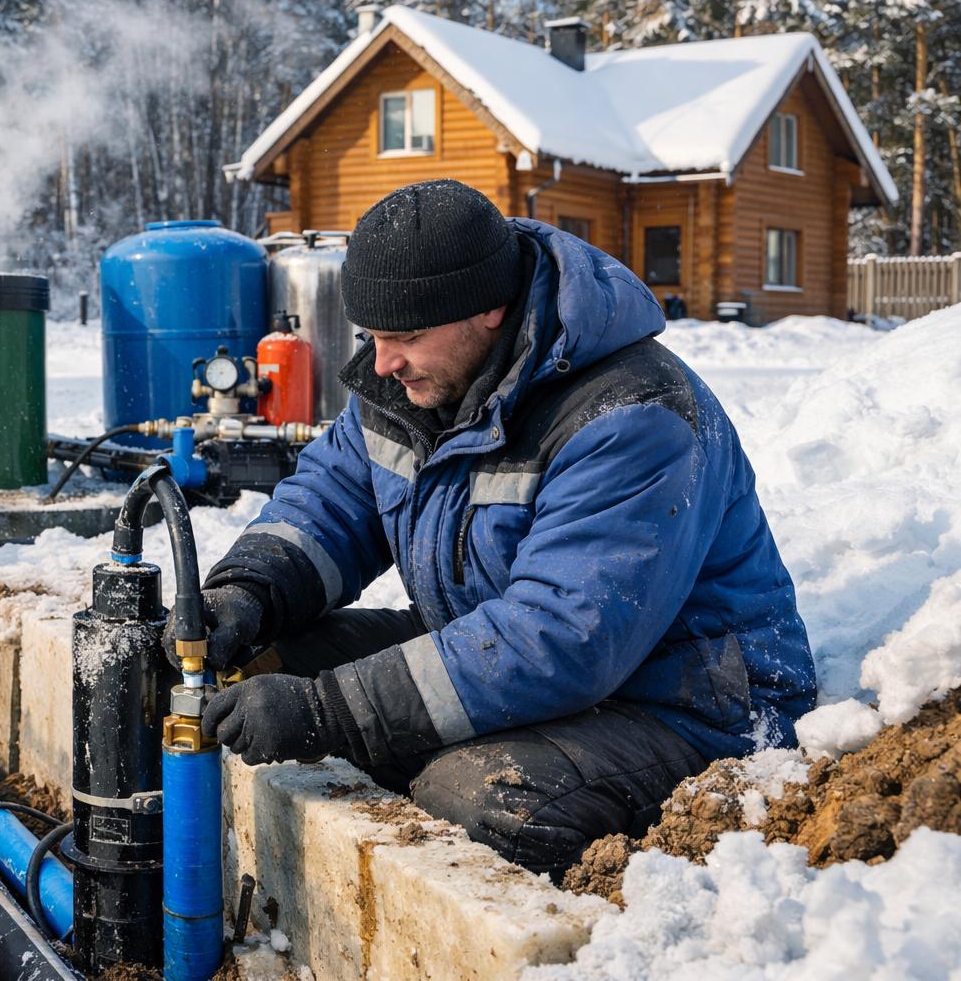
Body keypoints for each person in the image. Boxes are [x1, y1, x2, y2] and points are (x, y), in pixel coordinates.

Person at [178, 179, 817, 879]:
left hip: (683, 704)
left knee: (476, 800)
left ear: (489, 309)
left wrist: (330, 713)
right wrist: (249, 591)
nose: (383, 363)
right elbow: (330, 503)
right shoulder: (415, 383)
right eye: (374, 337)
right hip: (511, 646)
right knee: (270, 660)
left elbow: (561, 639)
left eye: (407, 337)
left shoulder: (630, 415)